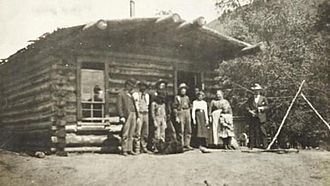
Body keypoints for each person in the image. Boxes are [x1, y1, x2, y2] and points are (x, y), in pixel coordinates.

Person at [117, 79, 139, 156]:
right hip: (127, 115)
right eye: (130, 86)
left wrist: (137, 115)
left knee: (132, 133)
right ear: (127, 85)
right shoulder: (121, 94)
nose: (132, 88)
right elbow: (119, 106)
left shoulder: (131, 95)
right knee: (125, 133)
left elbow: (135, 105)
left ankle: (130, 149)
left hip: (133, 114)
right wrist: (121, 116)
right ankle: (124, 149)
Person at [245, 83, 269, 149]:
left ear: (260, 91)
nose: (256, 92)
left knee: (262, 131)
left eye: (258, 90)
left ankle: (265, 146)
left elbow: (268, 107)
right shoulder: (250, 99)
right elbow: (247, 107)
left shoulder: (263, 98)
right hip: (253, 117)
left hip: (261, 117)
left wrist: (262, 108)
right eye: (255, 90)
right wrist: (250, 111)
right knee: (252, 131)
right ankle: (251, 146)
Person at [132, 81, 151, 154]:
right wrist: (137, 115)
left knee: (145, 132)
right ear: (139, 87)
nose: (143, 88)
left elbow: (148, 104)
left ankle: (144, 147)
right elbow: (135, 104)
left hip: (146, 113)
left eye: (144, 87)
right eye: (141, 86)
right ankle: (137, 148)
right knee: (138, 132)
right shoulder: (136, 95)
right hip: (139, 114)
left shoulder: (147, 95)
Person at [173, 83, 193, 150]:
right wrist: (176, 116)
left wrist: (189, 111)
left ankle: (187, 144)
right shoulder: (177, 97)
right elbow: (174, 107)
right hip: (180, 112)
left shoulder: (187, 97)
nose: (183, 91)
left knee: (188, 129)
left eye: (184, 89)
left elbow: (190, 105)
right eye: (182, 89)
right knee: (181, 130)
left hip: (187, 112)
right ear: (180, 90)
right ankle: (181, 145)